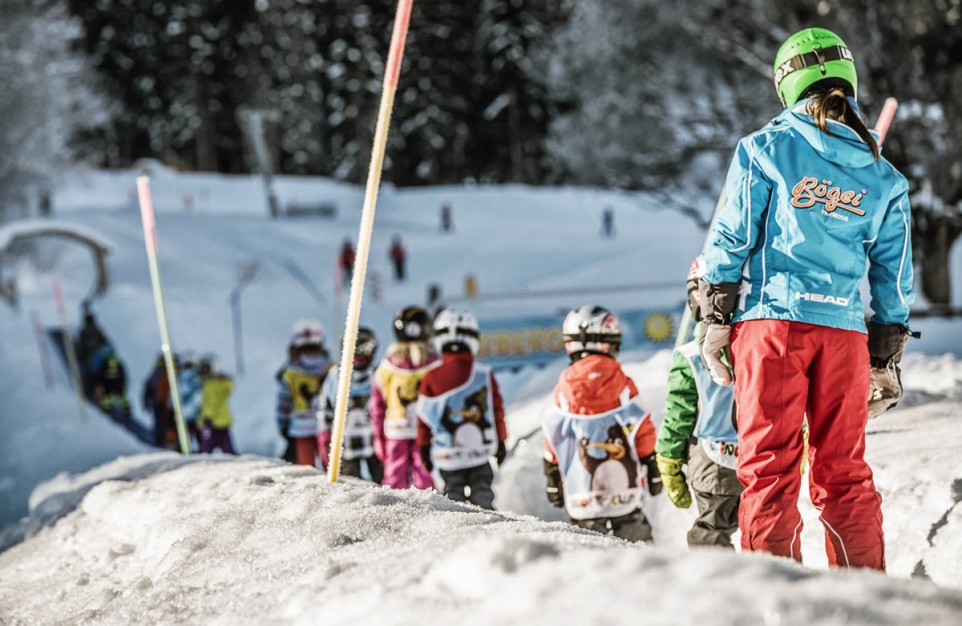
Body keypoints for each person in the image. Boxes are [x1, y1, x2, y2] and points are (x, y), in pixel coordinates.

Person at [697, 27, 914, 570]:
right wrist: (886, 354)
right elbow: (894, 273)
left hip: (775, 329)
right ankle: (866, 598)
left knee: (769, 470)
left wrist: (716, 318)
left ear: (786, 84)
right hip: (844, 334)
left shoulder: (765, 148)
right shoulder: (882, 175)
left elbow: (730, 238)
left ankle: (775, 602)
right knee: (844, 474)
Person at [542, 305, 662, 542]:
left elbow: (554, 433)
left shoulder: (563, 388)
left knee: (588, 555)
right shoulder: (623, 383)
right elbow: (642, 428)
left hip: (583, 496)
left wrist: (552, 476)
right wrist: (653, 466)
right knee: (639, 550)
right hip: (624, 494)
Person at [656, 257, 742, 548]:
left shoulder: (690, 355)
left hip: (712, 462)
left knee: (711, 532)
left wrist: (668, 460)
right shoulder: (761, 347)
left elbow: (678, 415)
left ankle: (714, 585)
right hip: (759, 458)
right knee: (760, 527)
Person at [416, 308, 507, 510]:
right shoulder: (484, 374)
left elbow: (424, 418)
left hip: (449, 456)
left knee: (453, 500)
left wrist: (424, 449)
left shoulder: (431, 377)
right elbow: (496, 410)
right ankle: (489, 533)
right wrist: (501, 440)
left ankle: (457, 535)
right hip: (480, 453)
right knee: (483, 496)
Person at [369, 305, 439, 489]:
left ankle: (395, 511)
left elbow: (377, 403)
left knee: (394, 475)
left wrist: (377, 434)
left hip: (395, 428)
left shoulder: (389, 364)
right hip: (425, 430)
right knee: (424, 474)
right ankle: (430, 510)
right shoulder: (432, 363)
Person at [316, 326, 383, 482]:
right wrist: (325, 439)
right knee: (350, 486)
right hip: (344, 443)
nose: (360, 357)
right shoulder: (336, 377)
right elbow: (324, 410)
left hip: (375, 442)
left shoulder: (377, 375)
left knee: (385, 484)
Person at [276, 320, 331, 467]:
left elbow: (284, 402)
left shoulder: (290, 373)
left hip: (301, 427)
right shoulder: (330, 368)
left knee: (305, 468)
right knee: (331, 466)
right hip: (326, 426)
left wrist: (283, 424)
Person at [198, 354, 237, 454]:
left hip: (213, 421)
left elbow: (210, 403)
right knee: (227, 449)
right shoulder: (218, 383)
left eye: (205, 369)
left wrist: (207, 418)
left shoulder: (211, 385)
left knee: (206, 449)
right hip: (222, 420)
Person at [177, 351, 204, 451]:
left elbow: (175, 395)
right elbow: (200, 394)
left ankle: (185, 450)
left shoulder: (179, 376)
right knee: (198, 436)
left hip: (184, 413)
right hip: (195, 414)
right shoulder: (197, 377)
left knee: (185, 435)